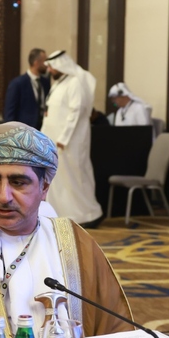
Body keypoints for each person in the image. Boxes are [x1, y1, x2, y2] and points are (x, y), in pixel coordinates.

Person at [0, 121, 133, 338]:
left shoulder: (76, 242)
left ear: (44, 188)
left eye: (18, 183)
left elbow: (115, 331)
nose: (3, 196)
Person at [41, 50, 103, 228]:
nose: (50, 70)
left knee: (74, 180)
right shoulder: (60, 83)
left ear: (61, 65)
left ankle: (86, 214)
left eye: (52, 66)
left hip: (69, 144)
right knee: (58, 180)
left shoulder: (75, 82)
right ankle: (61, 213)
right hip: (54, 143)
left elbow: (77, 112)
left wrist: (64, 138)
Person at [3, 48, 49, 129]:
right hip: (24, 129)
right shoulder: (17, 83)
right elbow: (10, 112)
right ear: (36, 62)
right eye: (45, 61)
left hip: (43, 129)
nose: (47, 64)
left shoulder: (45, 83)